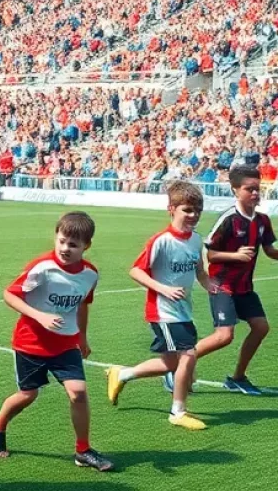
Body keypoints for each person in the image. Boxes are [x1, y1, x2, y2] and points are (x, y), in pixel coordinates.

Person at [0, 212, 113, 470]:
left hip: (66, 344)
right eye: (62, 241)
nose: (65, 248)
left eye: (73, 245)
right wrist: (39, 316)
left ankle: (83, 450)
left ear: (86, 246)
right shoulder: (42, 267)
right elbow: (10, 295)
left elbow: (83, 305)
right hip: (30, 344)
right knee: (28, 394)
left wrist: (83, 337)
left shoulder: (90, 275)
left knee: (78, 393)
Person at [106, 181, 212, 430]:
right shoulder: (161, 241)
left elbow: (199, 272)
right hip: (163, 311)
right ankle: (178, 411)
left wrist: (215, 289)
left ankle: (121, 374)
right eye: (187, 209)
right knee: (188, 354)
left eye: (197, 210)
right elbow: (136, 271)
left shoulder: (196, 240)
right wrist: (163, 289)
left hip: (183, 310)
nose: (193, 215)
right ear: (171, 209)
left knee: (172, 363)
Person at [194, 166, 278, 395]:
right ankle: (178, 366)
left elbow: (270, 250)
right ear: (235, 191)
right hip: (222, 285)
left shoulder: (262, 220)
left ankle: (238, 377)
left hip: (244, 288)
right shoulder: (229, 219)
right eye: (249, 189)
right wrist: (235, 255)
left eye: (257, 189)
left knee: (261, 328)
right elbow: (210, 254)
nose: (255, 194)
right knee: (224, 336)